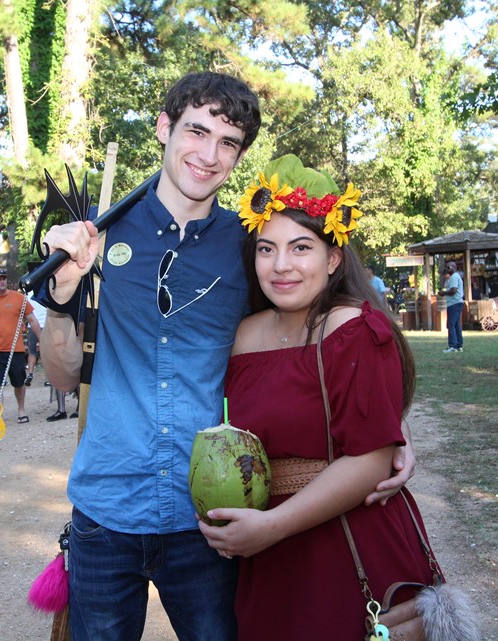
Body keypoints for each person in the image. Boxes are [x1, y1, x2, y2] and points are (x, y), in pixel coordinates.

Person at [37, 73, 415, 641]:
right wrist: (63, 296)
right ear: (165, 128)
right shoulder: (97, 237)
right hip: (106, 509)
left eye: (228, 142)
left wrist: (389, 436)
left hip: (211, 515)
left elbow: (309, 341)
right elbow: (64, 376)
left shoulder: (250, 247)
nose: (209, 155)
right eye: (196, 131)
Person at [198, 155, 444, 640]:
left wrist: (272, 527)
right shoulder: (243, 333)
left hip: (347, 545)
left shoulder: (356, 329)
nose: (281, 265)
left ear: (333, 259)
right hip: (267, 557)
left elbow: (372, 459)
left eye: (301, 247)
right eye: (266, 249)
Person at [0, 269, 42, 423]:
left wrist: (41, 340)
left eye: (4, 278)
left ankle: (21, 410)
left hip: (16, 350)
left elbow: (32, 320)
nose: (2, 281)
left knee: (19, 383)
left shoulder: (19, 298)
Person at [439, 260, 464, 353]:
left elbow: (453, 290)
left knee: (451, 324)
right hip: (458, 303)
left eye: (448, 267)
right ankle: (459, 345)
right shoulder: (456, 276)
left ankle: (452, 346)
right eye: (447, 267)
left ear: (454, 267)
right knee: (457, 325)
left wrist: (443, 293)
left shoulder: (453, 277)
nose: (447, 269)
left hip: (454, 303)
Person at [24, 295, 48, 387]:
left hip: (32, 324)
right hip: (45, 324)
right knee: (46, 352)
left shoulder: (28, 294)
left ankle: (30, 373)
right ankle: (48, 377)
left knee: (32, 351)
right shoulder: (45, 291)